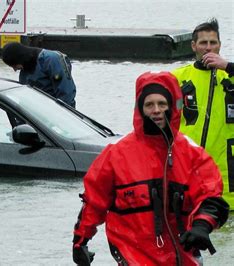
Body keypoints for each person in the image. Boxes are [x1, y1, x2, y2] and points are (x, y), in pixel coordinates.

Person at [71, 71, 229, 265]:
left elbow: (211, 197)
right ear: (140, 109)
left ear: (172, 106)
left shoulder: (192, 154)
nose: (156, 110)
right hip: (133, 256)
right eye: (149, 105)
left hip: (183, 254)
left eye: (162, 104)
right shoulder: (116, 154)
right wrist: (80, 241)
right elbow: (94, 202)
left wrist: (202, 226)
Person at [171, 18, 234, 210]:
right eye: (203, 43)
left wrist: (228, 67)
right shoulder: (178, 78)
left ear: (220, 46)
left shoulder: (230, 76)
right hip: (190, 169)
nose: (208, 48)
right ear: (193, 46)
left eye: (213, 43)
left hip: (227, 172)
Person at [1, 42, 77, 107]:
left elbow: (66, 93)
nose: (15, 70)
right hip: (38, 113)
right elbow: (24, 98)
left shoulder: (52, 60)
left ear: (20, 58)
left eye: (14, 65)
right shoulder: (25, 68)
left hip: (57, 113)